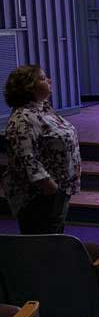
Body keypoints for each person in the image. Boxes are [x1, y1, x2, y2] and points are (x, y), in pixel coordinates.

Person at [2, 65, 81, 234]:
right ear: (29, 87)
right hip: (40, 196)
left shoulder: (43, 109)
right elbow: (28, 160)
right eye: (43, 78)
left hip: (58, 191)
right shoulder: (23, 119)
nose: (50, 80)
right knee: (42, 241)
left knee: (54, 238)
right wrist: (52, 191)